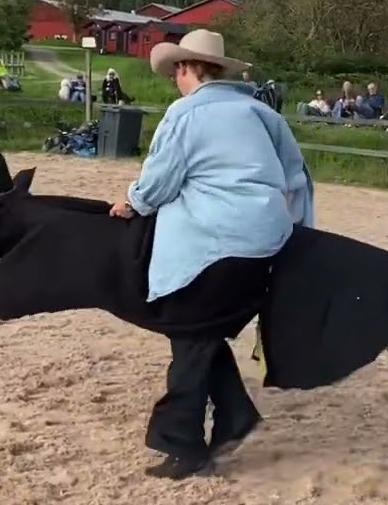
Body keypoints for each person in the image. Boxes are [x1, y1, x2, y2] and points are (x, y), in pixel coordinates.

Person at [107, 28, 315, 479]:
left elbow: (161, 178)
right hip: (265, 242)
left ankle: (183, 444)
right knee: (199, 335)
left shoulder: (185, 113)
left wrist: (133, 202)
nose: (175, 80)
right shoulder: (261, 113)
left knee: (187, 334)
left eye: (176, 71)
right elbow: (297, 177)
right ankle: (235, 416)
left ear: (187, 68)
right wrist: (296, 231)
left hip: (213, 244)